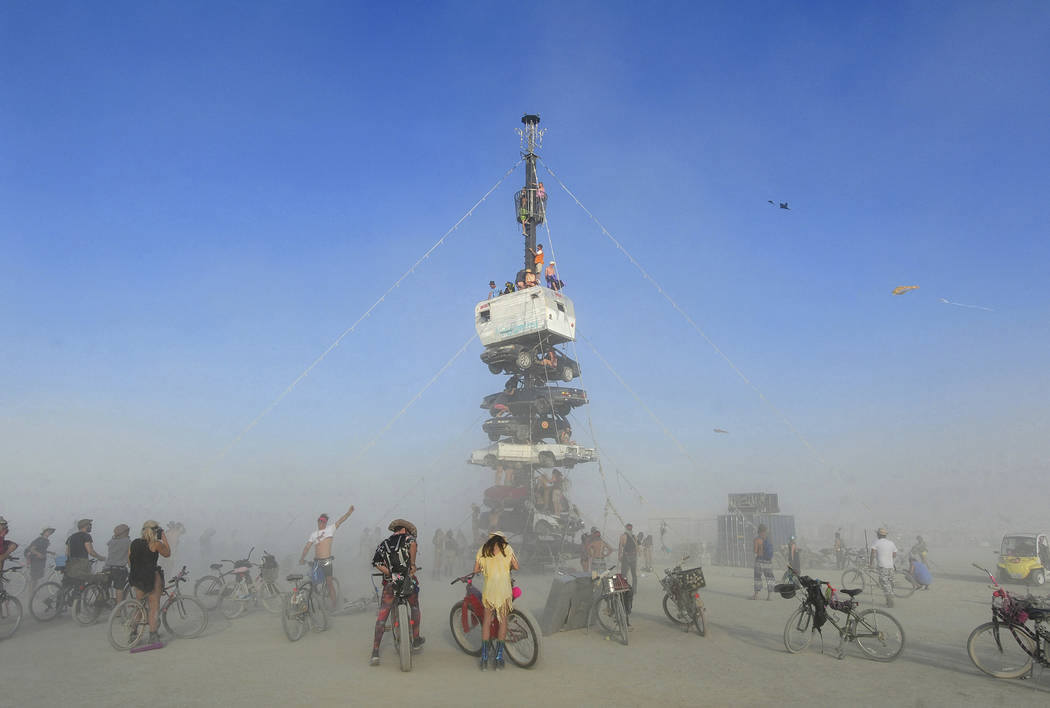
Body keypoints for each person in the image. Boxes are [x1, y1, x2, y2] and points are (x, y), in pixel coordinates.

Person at [370, 519, 424, 665]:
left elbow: (376, 562)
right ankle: (417, 639)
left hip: (390, 583)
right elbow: (413, 543)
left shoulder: (384, 544)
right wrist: (412, 564)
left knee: (382, 617)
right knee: (414, 606)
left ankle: (375, 652)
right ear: (405, 530)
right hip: (407, 581)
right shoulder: (408, 538)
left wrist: (390, 573)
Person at [473, 531, 520, 670]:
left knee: (487, 622)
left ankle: (484, 658)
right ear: (502, 539)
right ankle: (499, 657)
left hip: (490, 590)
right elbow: (516, 566)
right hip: (504, 590)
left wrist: (485, 568)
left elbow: (476, 570)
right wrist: (507, 567)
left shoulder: (483, 549)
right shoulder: (507, 548)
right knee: (503, 621)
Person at [299, 505, 355, 610]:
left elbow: (340, 520)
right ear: (318, 522)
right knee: (313, 582)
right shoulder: (314, 534)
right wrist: (302, 558)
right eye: (320, 521)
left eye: (323, 522)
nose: (321, 523)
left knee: (329, 583)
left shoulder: (330, 529)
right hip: (317, 561)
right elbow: (307, 547)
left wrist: (349, 513)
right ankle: (315, 601)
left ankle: (334, 605)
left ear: (326, 523)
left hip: (327, 561)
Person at [128, 520, 171, 644]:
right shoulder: (156, 544)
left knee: (139, 606)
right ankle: (153, 635)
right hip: (151, 576)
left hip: (136, 577)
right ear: (155, 531)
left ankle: (133, 634)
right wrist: (163, 537)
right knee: (154, 607)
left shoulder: (134, 543)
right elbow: (168, 553)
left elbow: (129, 561)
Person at [869, 527, 898, 607]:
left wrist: (871, 564)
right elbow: (894, 554)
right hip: (890, 566)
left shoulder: (876, 542)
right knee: (890, 581)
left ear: (878, 534)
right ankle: (889, 597)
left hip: (882, 566)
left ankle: (889, 599)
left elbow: (872, 553)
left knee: (884, 582)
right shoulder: (891, 543)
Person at [106, 524, 131, 604]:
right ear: (124, 532)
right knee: (119, 588)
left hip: (107, 568)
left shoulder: (111, 541)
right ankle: (118, 610)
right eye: (127, 531)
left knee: (105, 586)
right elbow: (128, 557)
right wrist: (131, 567)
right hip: (119, 569)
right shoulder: (127, 542)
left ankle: (102, 602)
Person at [752, 524, 775, 600]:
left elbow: (755, 551)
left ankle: (756, 595)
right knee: (769, 578)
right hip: (768, 562)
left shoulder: (757, 540)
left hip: (759, 560)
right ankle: (769, 596)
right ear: (765, 531)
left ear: (758, 531)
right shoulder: (769, 539)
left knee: (757, 577)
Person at [619, 523, 639, 592]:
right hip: (631, 556)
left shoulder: (624, 536)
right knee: (632, 574)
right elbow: (637, 548)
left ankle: (625, 588)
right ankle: (633, 589)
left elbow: (620, 547)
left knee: (624, 573)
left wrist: (620, 555)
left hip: (627, 556)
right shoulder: (634, 537)